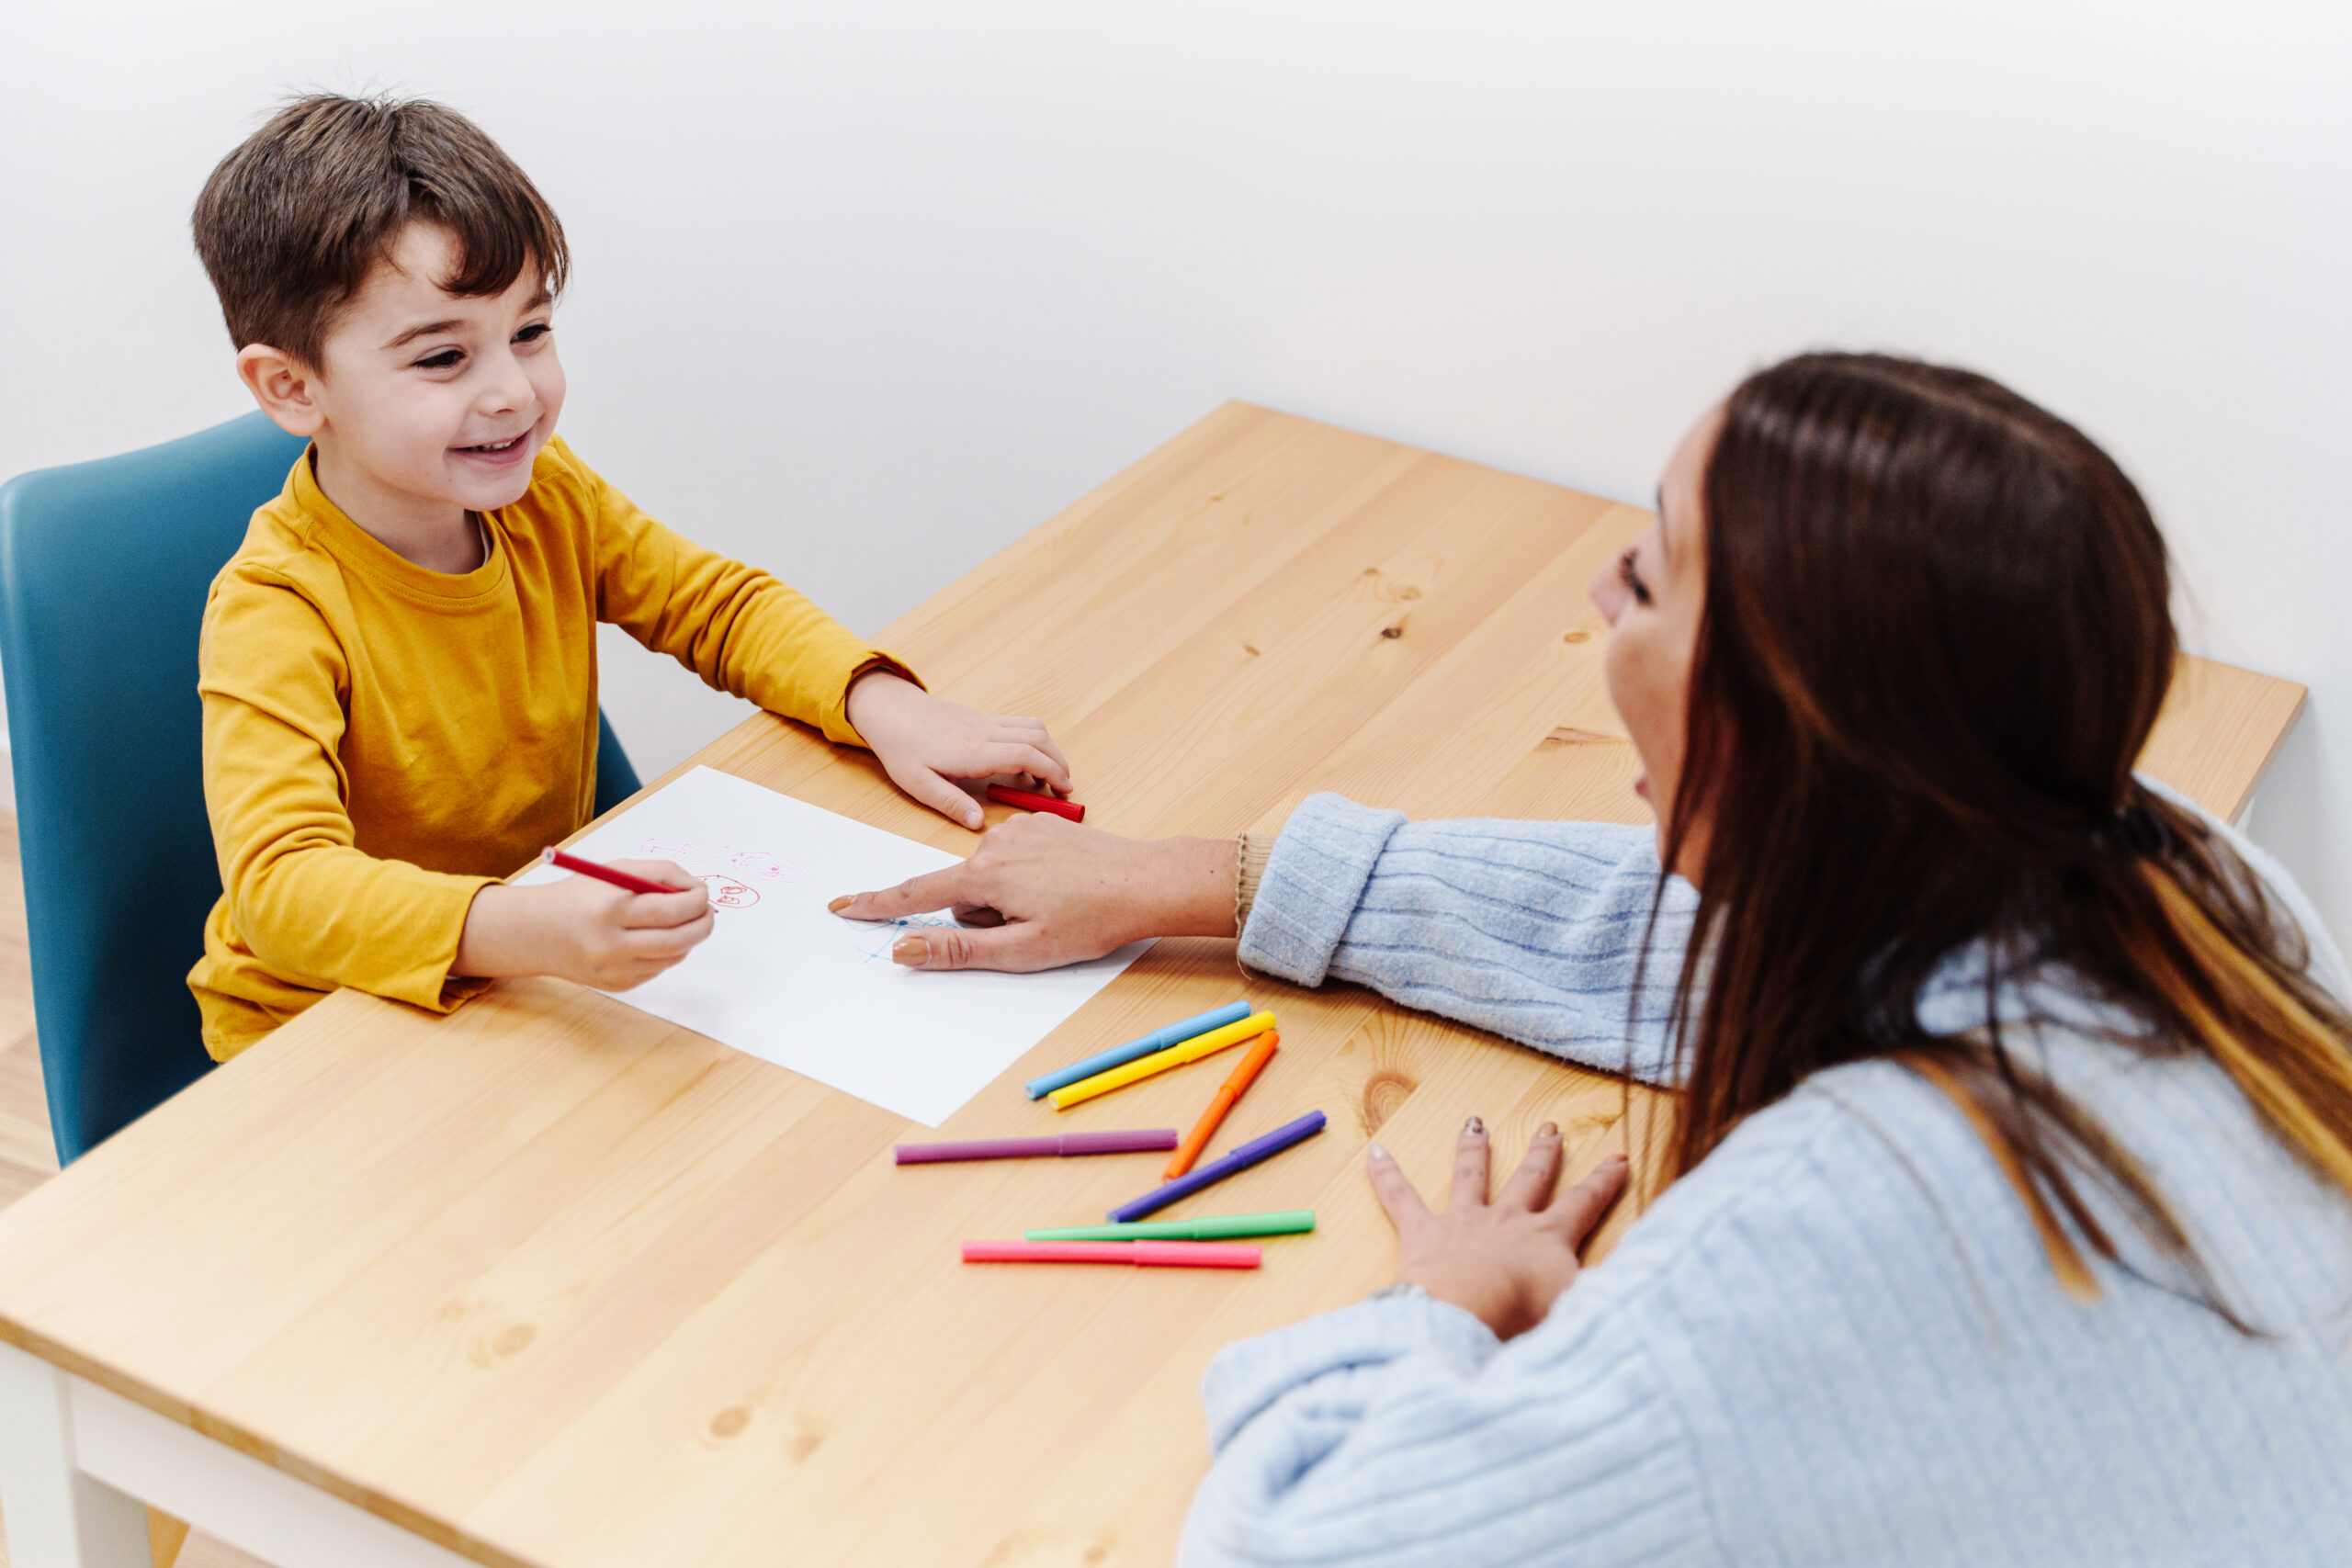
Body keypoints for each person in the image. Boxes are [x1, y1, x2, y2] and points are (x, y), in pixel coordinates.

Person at [831, 353, 2352, 1563]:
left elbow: (1290, 1540)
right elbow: (1672, 922)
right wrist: (1198, 876)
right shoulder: (2189, 873)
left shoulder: (1830, 1234)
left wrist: (1441, 1301)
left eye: (1649, 572)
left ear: (1762, 721)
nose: (1597, 588)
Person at [186, 94, 1070, 1061]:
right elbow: (283, 888)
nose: (514, 392)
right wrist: (525, 930)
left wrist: (884, 703)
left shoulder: (540, 497)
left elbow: (714, 607)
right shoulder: (277, 607)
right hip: (322, 1032)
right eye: (445, 356)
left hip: (521, 973)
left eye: (530, 331)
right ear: (291, 387)